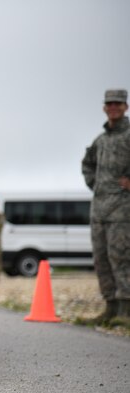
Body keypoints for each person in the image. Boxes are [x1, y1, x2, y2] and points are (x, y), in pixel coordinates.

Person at [82, 88, 130, 325]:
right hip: (99, 209)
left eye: (118, 104)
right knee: (101, 258)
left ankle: (125, 310)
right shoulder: (100, 140)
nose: (113, 108)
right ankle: (110, 307)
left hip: (123, 210)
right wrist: (96, 184)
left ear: (125, 107)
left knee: (121, 256)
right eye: (110, 104)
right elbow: (87, 164)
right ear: (104, 108)